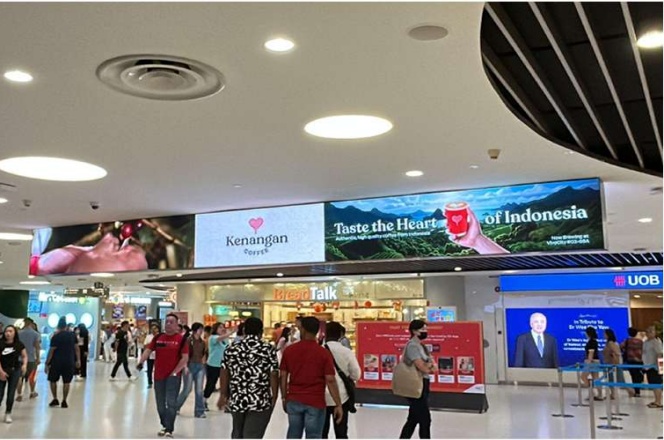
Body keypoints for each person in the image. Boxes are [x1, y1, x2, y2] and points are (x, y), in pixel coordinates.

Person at [280, 316, 343, 439]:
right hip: (316, 401)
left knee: (293, 434)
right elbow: (330, 380)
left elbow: (283, 375)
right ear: (317, 331)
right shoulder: (323, 353)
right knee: (314, 435)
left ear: (302, 329)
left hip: (294, 398)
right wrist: (338, 404)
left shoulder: (289, 350)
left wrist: (283, 397)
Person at [217, 317, 279, 439]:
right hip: (260, 399)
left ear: (244, 330)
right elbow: (273, 374)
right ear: (261, 332)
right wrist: (275, 395)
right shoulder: (267, 349)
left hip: (237, 398)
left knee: (237, 432)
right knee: (253, 434)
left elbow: (224, 372)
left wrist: (223, 394)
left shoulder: (231, 349)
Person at [137, 313, 190, 438]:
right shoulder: (158, 338)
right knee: (160, 405)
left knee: (171, 403)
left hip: (173, 377)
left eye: (172, 322)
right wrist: (141, 362)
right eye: (167, 322)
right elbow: (148, 350)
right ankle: (165, 425)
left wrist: (175, 372)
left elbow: (185, 358)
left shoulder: (181, 340)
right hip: (159, 376)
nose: (168, 324)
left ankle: (169, 429)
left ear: (177, 325)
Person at [322, 322, 361, 439]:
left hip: (321, 397)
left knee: (322, 433)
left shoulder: (319, 350)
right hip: (341, 396)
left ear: (325, 333)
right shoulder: (346, 352)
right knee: (341, 432)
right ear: (340, 334)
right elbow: (356, 374)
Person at [399, 320, 435, 439]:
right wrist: (429, 365)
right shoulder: (412, 346)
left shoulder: (421, 346)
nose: (425, 331)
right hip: (415, 385)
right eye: (422, 329)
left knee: (413, 419)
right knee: (425, 419)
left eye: (426, 329)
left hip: (423, 383)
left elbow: (432, 366)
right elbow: (422, 367)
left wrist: (429, 366)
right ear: (414, 331)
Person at [45, 317, 80, 409]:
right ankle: (64, 400)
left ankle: (55, 398)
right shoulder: (72, 336)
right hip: (69, 361)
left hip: (56, 361)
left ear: (58, 326)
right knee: (67, 381)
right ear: (66, 326)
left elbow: (51, 351)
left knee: (53, 380)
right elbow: (77, 348)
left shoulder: (55, 337)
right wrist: (78, 360)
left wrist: (47, 363)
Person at [176, 322, 207, 418]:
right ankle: (176, 406)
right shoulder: (188, 340)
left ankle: (199, 411)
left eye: (202, 329)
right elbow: (184, 354)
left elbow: (204, 353)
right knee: (187, 389)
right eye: (199, 329)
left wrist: (203, 362)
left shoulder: (202, 342)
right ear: (194, 330)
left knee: (199, 390)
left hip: (200, 366)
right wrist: (185, 366)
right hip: (189, 366)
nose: (201, 331)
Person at [0, 325, 28, 423]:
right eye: (6, 331)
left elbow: (24, 356)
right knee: (0, 393)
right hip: (2, 369)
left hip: (15, 370)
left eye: (10, 331)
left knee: (11, 393)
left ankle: (8, 413)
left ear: (15, 333)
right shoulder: (1, 344)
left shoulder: (19, 344)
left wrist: (24, 365)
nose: (8, 333)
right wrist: (1, 372)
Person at [204, 323, 230, 410]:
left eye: (223, 327)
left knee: (226, 384)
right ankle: (204, 400)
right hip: (213, 364)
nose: (222, 329)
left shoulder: (225, 339)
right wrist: (231, 332)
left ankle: (225, 403)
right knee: (211, 384)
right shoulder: (212, 338)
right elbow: (218, 339)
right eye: (220, 327)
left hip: (224, 365)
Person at [16, 317, 41, 401]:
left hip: (20, 358)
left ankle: (19, 395)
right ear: (31, 323)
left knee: (19, 377)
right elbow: (37, 347)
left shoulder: (18, 333)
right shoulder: (35, 334)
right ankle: (32, 392)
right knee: (32, 376)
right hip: (31, 358)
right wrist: (38, 358)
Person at [580, 326, 603, 401]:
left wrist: (588, 363)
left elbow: (591, 353)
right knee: (595, 378)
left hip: (592, 361)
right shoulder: (593, 341)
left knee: (583, 376)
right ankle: (599, 394)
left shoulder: (591, 342)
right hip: (595, 361)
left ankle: (592, 392)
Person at [643, 325, 663, 409]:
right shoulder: (646, 342)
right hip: (648, 366)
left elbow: (660, 354)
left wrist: (660, 368)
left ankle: (658, 402)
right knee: (652, 384)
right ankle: (656, 400)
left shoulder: (656, 342)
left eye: (651, 331)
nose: (648, 333)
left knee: (657, 384)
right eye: (647, 331)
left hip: (654, 366)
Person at [621, 327, 644, 397]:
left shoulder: (627, 341)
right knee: (638, 374)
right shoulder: (641, 342)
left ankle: (636, 391)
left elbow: (621, 346)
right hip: (639, 360)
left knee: (633, 376)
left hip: (631, 360)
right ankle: (638, 390)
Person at [602, 329, 623, 400]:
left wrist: (616, 363)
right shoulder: (608, 343)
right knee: (610, 379)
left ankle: (614, 393)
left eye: (605, 334)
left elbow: (616, 353)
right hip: (608, 363)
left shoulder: (611, 343)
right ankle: (612, 393)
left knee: (613, 379)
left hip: (611, 364)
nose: (604, 335)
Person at [143, 324, 160, 389]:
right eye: (152, 328)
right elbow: (145, 345)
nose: (154, 330)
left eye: (155, 328)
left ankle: (157, 382)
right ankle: (149, 382)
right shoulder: (148, 336)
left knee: (157, 370)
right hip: (150, 355)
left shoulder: (160, 336)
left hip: (158, 356)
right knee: (149, 369)